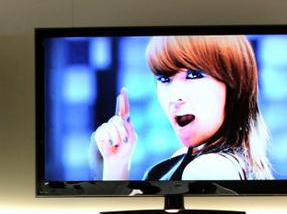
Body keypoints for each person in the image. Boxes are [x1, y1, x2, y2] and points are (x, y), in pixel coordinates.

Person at [93, 35, 273, 181]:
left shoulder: (208, 169)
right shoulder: (195, 157)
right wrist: (117, 161)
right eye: (164, 79)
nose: (174, 97)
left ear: (234, 83)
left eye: (194, 75)